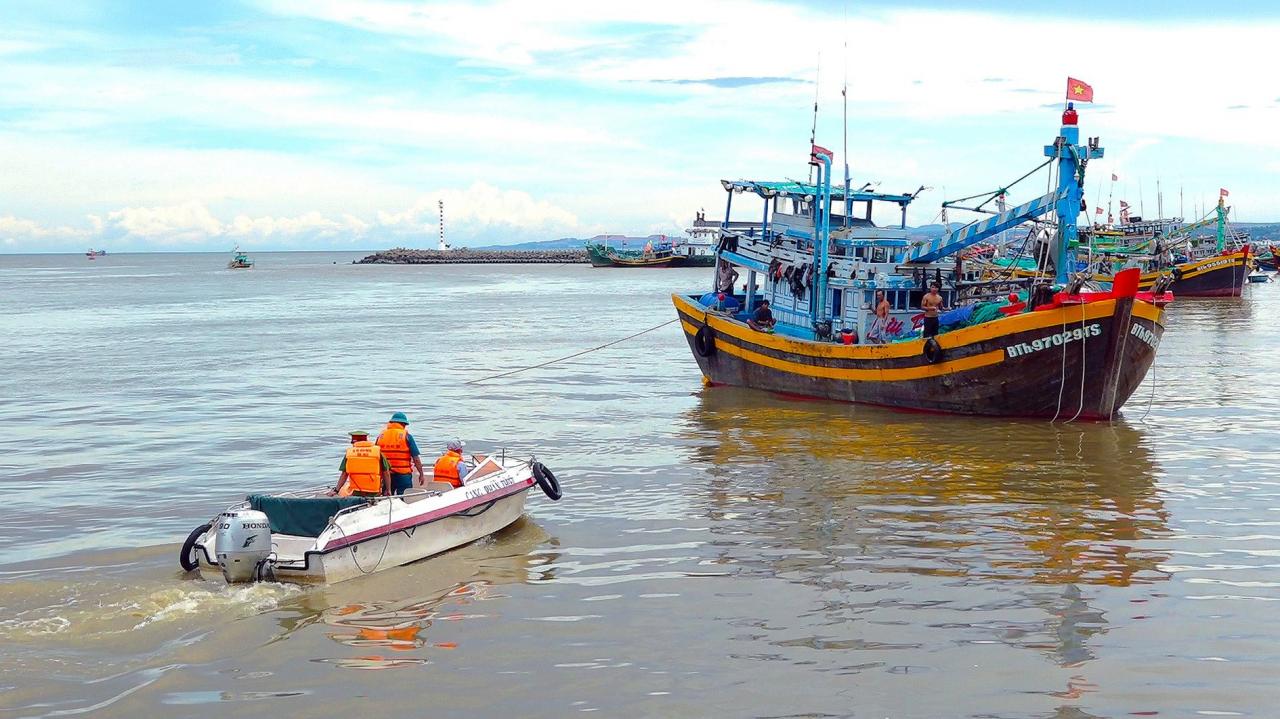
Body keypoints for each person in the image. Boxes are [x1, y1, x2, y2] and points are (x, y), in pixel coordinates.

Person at [376, 412, 426, 495]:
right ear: (403, 424)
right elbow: (416, 459)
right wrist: (421, 474)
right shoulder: (406, 436)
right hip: (403, 475)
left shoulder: (381, 436)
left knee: (386, 499)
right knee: (404, 498)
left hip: (386, 474)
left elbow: (375, 456)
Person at [334, 430, 391, 497]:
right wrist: (388, 490)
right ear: (366, 440)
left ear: (353, 441)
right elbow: (386, 473)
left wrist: (336, 490)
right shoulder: (377, 452)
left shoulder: (349, 453)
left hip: (356, 491)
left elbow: (344, 474)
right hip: (374, 491)